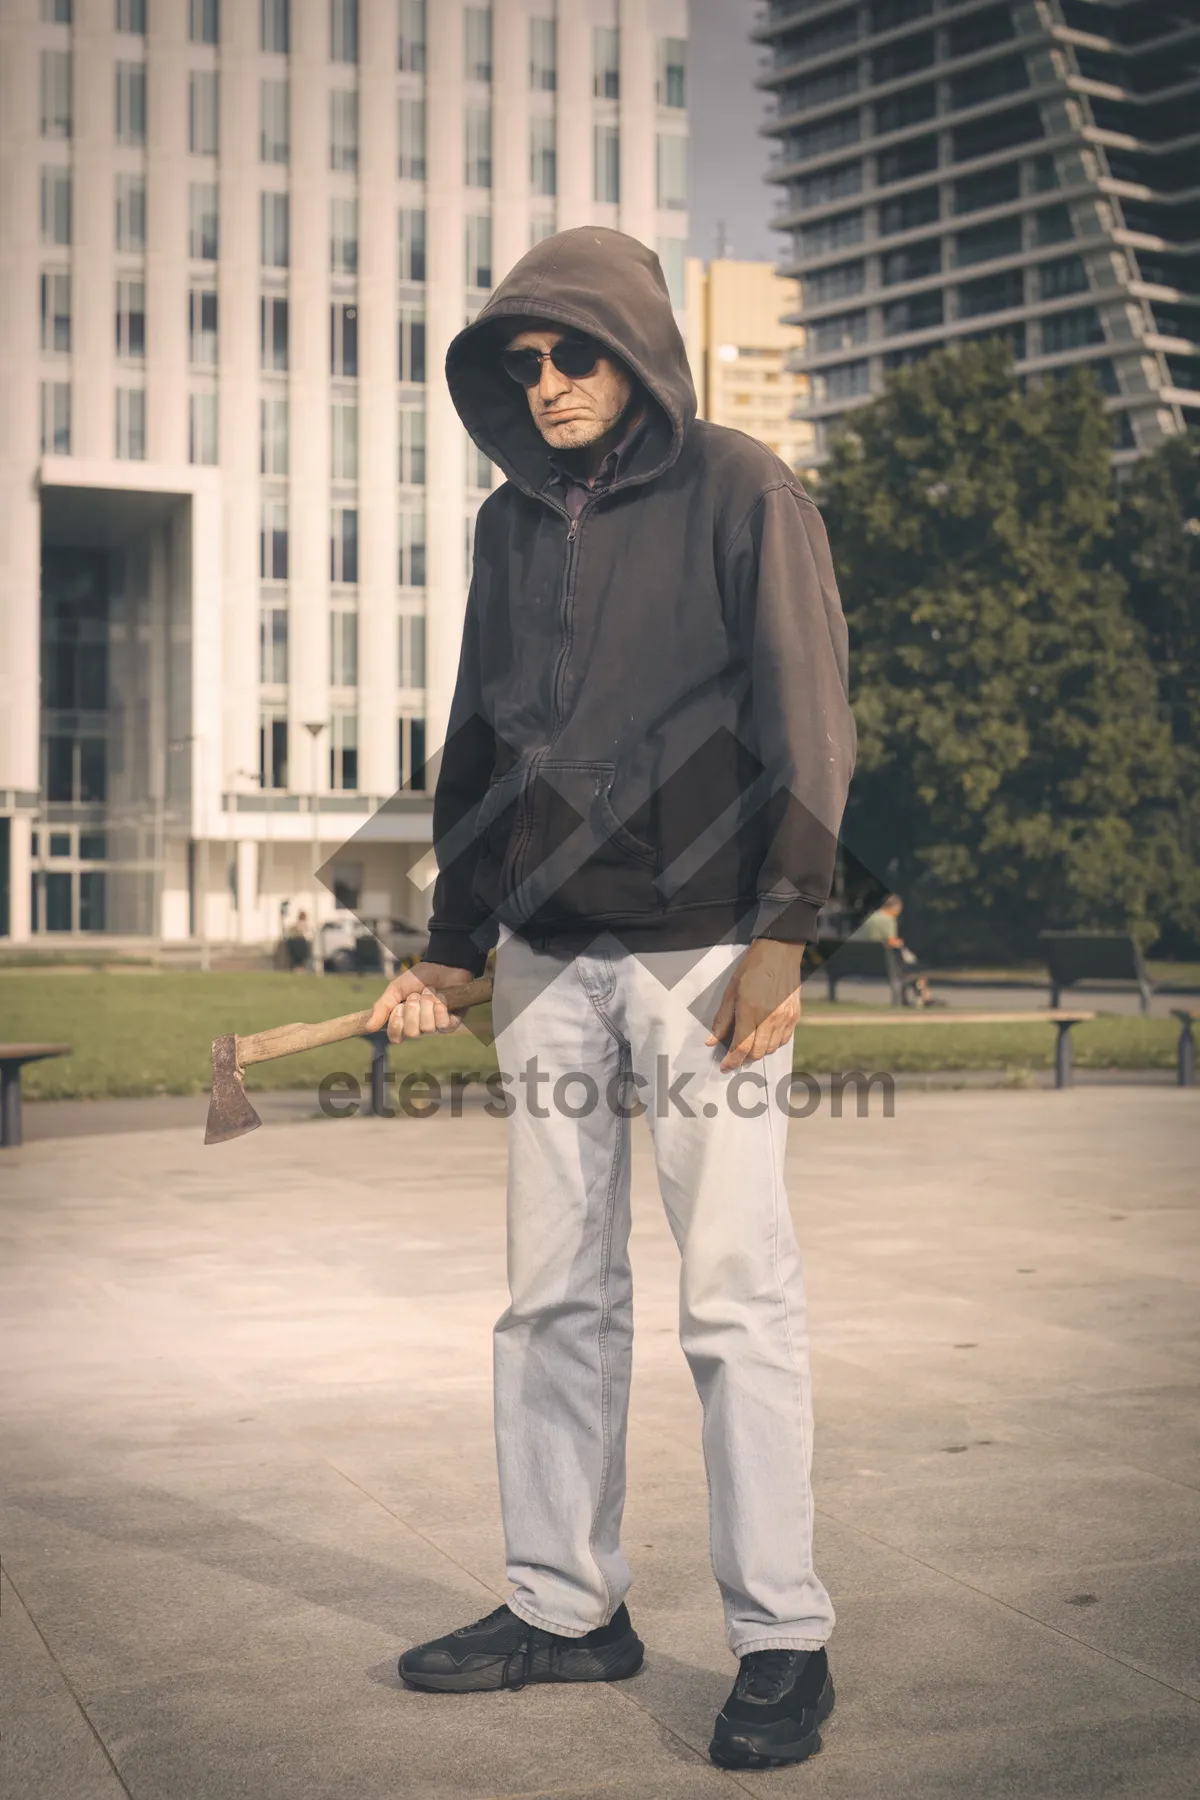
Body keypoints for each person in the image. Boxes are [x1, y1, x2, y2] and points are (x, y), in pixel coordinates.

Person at [366, 228, 855, 1771]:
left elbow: (807, 708)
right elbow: (478, 741)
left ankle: (782, 1637)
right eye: (522, 365)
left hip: (707, 949)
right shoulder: (511, 530)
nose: (549, 384)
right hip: (543, 957)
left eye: (573, 355)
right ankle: (568, 1607)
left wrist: (785, 930)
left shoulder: (742, 488)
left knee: (735, 1300)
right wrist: (453, 935)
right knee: (549, 1303)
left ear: (636, 351)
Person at [855, 892, 931, 1006]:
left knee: (911, 968)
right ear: (895, 907)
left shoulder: (871, 917)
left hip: (865, 961)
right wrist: (899, 943)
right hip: (886, 964)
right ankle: (923, 998)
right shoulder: (888, 919)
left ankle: (919, 997)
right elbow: (891, 941)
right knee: (917, 969)